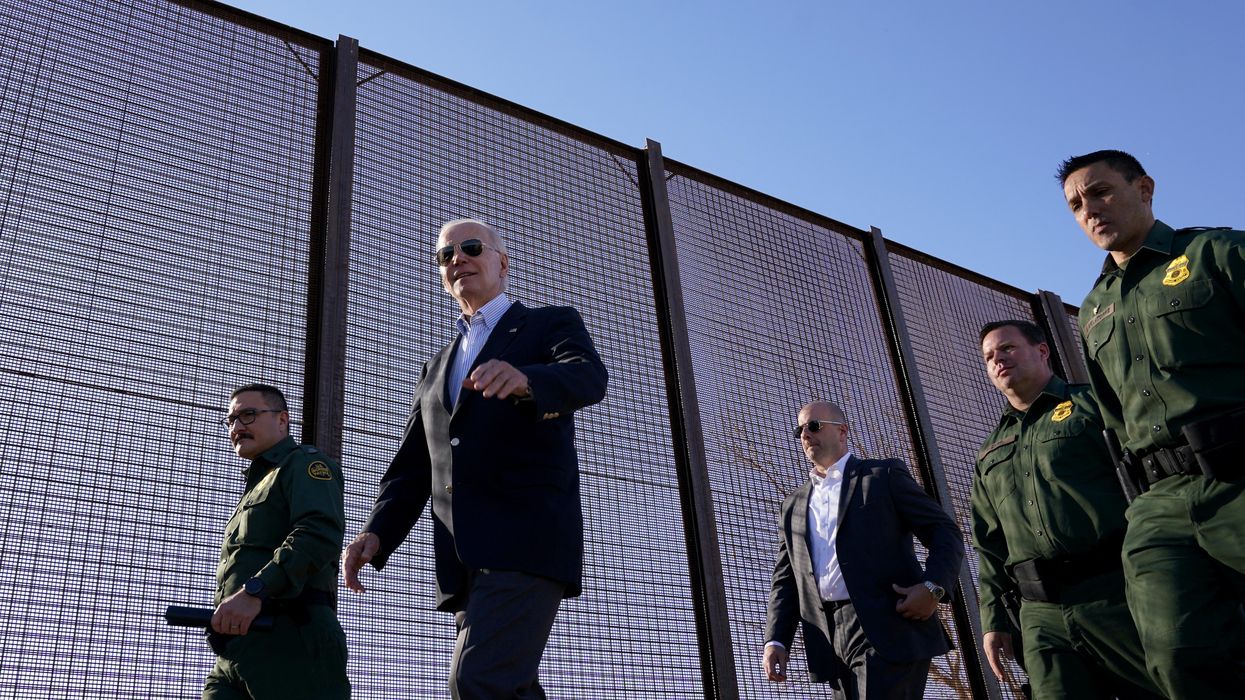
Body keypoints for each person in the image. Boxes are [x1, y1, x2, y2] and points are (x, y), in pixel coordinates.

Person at [341, 219, 608, 699]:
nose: (457, 259)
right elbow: (415, 465)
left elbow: (589, 376)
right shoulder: (436, 366)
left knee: (476, 683)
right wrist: (376, 531)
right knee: (509, 688)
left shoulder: (549, 324)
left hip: (527, 543)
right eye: (446, 256)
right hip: (465, 562)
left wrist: (526, 379)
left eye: (469, 248)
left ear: (502, 263)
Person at [1060, 149, 1245, 698]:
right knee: (1175, 653)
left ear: (1144, 188)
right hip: (1159, 504)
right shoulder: (1093, 310)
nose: (1089, 210)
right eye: (1074, 205)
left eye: (1100, 192)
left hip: (1238, 474)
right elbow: (1116, 420)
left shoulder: (1218, 252)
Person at [972, 320, 1160, 699]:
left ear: (1043, 351)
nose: (998, 360)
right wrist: (993, 621)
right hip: (1040, 616)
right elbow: (989, 544)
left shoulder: (1093, 406)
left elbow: (1151, 482)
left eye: (1007, 348)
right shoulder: (989, 450)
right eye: (989, 356)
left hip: (1116, 593)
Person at [762, 401, 964, 699]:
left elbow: (945, 532)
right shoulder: (792, 507)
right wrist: (776, 640)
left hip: (887, 626)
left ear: (842, 431)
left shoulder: (883, 476)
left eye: (814, 425)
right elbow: (787, 578)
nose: (805, 434)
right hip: (828, 638)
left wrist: (933, 587)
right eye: (800, 429)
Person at [204, 383, 349, 699]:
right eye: (231, 421)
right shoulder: (255, 486)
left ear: (282, 420)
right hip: (237, 649)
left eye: (248, 415)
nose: (237, 427)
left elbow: (317, 534)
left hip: (292, 637)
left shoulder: (305, 465)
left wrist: (256, 591)